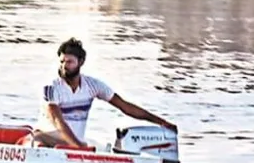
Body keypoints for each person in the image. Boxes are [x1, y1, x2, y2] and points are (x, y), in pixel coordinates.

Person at [31, 39, 174, 149]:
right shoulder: (51, 88)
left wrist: (161, 122)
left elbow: (125, 106)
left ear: (81, 62)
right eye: (62, 61)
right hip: (47, 142)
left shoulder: (92, 86)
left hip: (73, 145)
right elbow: (58, 121)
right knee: (38, 141)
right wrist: (79, 148)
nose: (64, 66)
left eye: (69, 62)